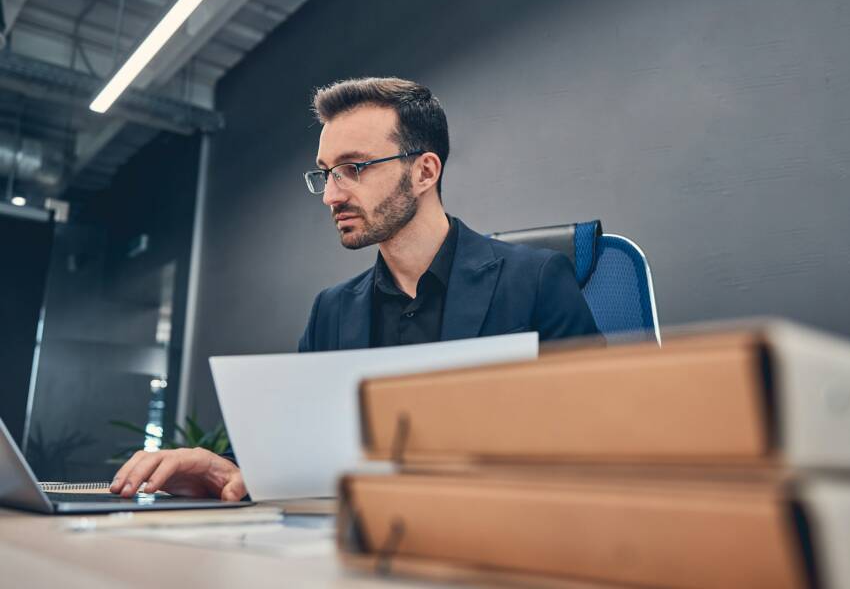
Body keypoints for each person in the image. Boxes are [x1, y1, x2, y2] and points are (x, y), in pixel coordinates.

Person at [110, 77, 599, 501]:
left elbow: (607, 433)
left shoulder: (536, 279)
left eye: (355, 168)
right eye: (326, 173)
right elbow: (294, 443)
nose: (331, 194)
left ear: (425, 171)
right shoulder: (333, 310)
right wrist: (227, 468)